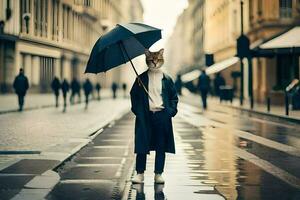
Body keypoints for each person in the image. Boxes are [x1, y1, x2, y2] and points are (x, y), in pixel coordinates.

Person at [130, 49, 178, 184]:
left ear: (162, 60)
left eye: (158, 60)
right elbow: (133, 96)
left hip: (162, 115)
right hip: (145, 116)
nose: (155, 63)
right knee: (142, 145)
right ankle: (140, 173)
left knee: (161, 145)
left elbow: (174, 97)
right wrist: (138, 112)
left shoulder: (167, 79)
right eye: (152, 60)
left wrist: (171, 112)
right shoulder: (140, 78)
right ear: (147, 61)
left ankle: (158, 174)